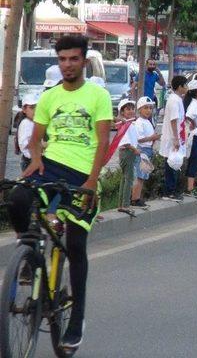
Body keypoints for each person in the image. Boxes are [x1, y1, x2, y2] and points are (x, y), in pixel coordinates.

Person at [10, 35, 112, 348]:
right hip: (50, 168)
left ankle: (76, 319)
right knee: (17, 198)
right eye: (63, 59)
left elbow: (103, 142)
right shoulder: (50, 98)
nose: (67, 65)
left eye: (73, 59)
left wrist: (92, 181)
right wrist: (36, 159)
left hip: (83, 174)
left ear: (83, 61)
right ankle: (29, 254)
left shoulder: (98, 95)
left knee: (76, 245)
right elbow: (36, 138)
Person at [159, 75, 189, 201]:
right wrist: (176, 138)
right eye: (185, 85)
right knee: (171, 163)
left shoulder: (176, 99)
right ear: (180, 87)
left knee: (174, 162)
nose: (187, 87)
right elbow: (174, 120)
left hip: (175, 137)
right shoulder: (174, 100)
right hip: (172, 138)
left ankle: (172, 189)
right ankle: (169, 191)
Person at [131, 96, 160, 207]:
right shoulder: (139, 122)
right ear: (139, 109)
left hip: (147, 150)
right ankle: (135, 198)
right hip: (142, 150)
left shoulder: (147, 121)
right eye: (146, 108)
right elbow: (139, 139)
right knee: (140, 175)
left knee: (143, 176)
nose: (148, 110)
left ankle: (137, 197)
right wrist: (152, 138)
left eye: (150, 108)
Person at [115, 99, 139, 216]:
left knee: (124, 178)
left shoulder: (130, 123)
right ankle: (125, 205)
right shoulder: (124, 124)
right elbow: (126, 143)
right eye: (127, 109)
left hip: (129, 153)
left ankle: (121, 204)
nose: (131, 111)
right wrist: (136, 150)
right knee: (128, 179)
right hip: (127, 152)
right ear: (122, 112)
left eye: (132, 109)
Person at [17, 94, 39, 171]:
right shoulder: (26, 123)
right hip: (31, 161)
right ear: (24, 109)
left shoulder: (35, 123)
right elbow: (25, 145)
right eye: (32, 108)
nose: (36, 111)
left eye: (38, 107)